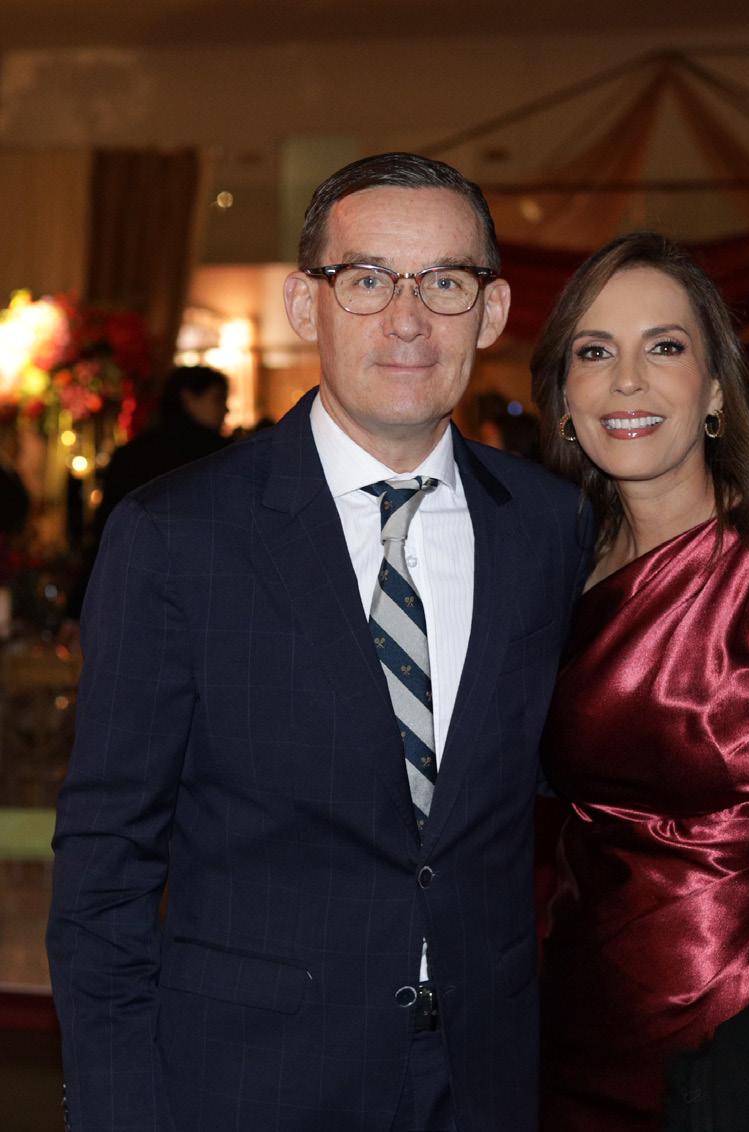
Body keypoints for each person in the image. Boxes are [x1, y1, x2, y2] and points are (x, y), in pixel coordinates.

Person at [47, 153, 590, 1132]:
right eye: (368, 279)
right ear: (307, 304)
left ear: (493, 310)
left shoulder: (546, 527)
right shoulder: (178, 535)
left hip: (487, 1074)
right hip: (250, 1079)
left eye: (445, 282)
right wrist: (117, 1103)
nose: (408, 319)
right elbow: (105, 858)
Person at [530, 232, 749, 1130]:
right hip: (570, 1032)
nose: (626, 381)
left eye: (663, 347)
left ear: (717, 390)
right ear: (564, 400)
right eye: (593, 352)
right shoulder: (551, 571)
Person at [63, 364, 232, 623]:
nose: (225, 410)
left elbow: (107, 536)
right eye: (217, 399)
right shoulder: (221, 458)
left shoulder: (134, 454)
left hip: (142, 594)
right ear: (188, 398)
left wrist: (79, 609)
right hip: (208, 595)